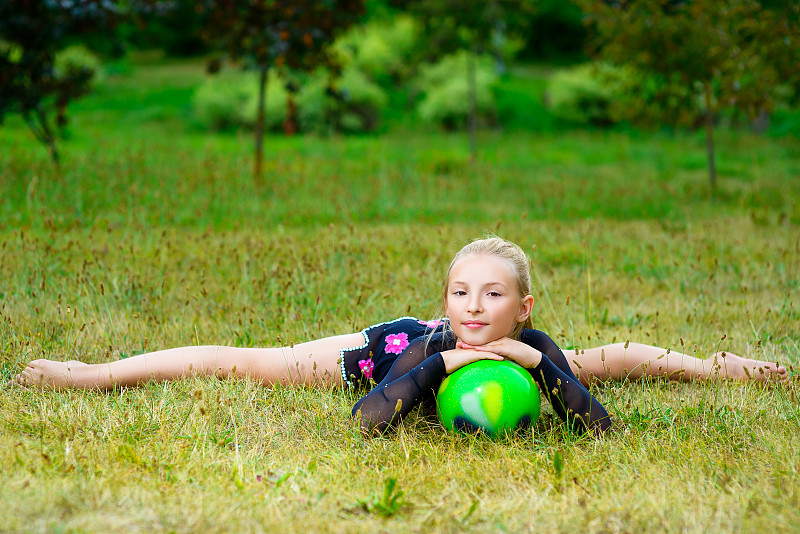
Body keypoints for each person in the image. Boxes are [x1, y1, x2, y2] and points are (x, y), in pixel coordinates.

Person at [13, 238, 788, 431]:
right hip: (380, 356)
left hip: (499, 357)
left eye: (492, 295)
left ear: (523, 307)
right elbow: (374, 419)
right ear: (444, 298)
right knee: (239, 362)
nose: (474, 305)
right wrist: (444, 354)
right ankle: (95, 374)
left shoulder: (530, 339)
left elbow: (599, 422)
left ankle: (721, 367)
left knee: (615, 358)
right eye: (460, 292)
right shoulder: (431, 338)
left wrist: (536, 365)